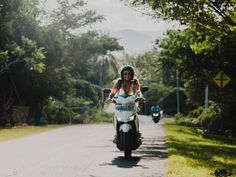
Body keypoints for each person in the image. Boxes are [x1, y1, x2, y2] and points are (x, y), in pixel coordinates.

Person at [106, 64, 144, 143]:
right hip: (120, 103)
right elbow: (113, 91)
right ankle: (117, 134)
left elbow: (138, 91)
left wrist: (140, 97)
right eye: (125, 74)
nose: (127, 75)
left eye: (129, 74)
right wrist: (110, 97)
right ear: (122, 74)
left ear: (132, 74)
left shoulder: (135, 82)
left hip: (132, 103)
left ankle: (137, 132)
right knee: (115, 115)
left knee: (135, 115)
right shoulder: (119, 82)